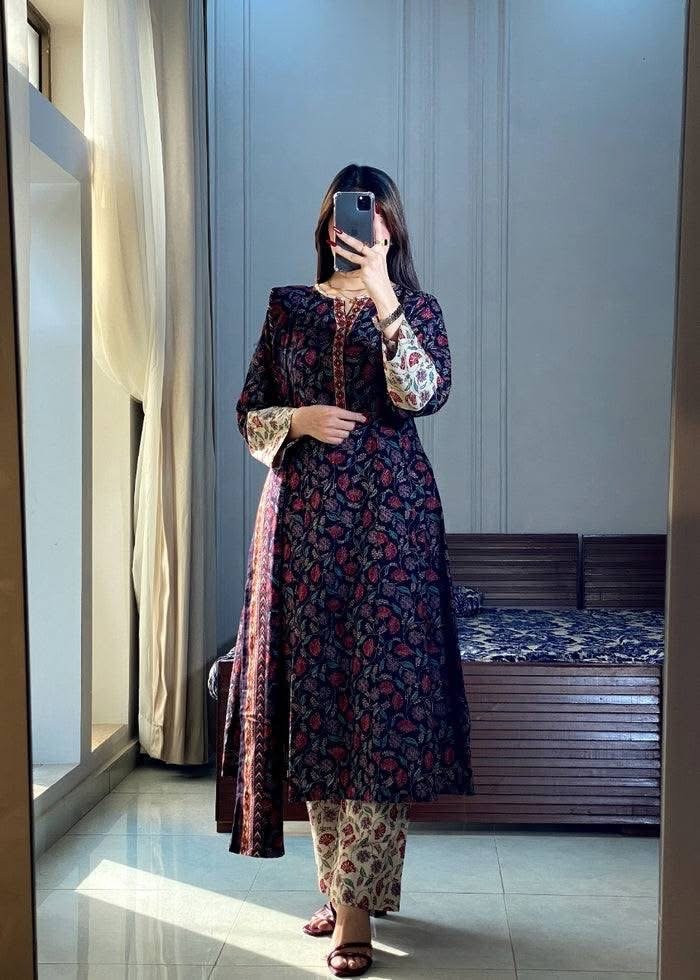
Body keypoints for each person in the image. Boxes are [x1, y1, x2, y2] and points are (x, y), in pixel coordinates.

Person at [209, 163, 475, 978]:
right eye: (344, 214)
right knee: (320, 708)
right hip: (300, 530)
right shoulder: (288, 307)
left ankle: (354, 910)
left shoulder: (417, 309)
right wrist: (299, 418)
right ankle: (339, 883)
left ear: (391, 227)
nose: (356, 226)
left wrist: (384, 290)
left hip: (389, 531)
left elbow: (423, 394)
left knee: (378, 712)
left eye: (372, 215)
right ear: (327, 225)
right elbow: (249, 413)